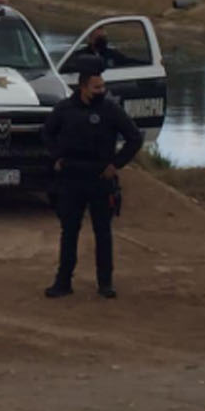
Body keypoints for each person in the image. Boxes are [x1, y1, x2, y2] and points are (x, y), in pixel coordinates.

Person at [41, 59, 144, 299]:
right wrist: (56, 157)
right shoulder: (65, 109)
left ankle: (105, 283)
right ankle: (63, 282)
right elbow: (46, 133)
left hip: (100, 179)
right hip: (71, 179)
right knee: (69, 232)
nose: (102, 91)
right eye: (96, 88)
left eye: (103, 87)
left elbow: (134, 138)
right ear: (83, 87)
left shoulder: (110, 110)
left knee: (103, 232)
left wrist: (116, 164)